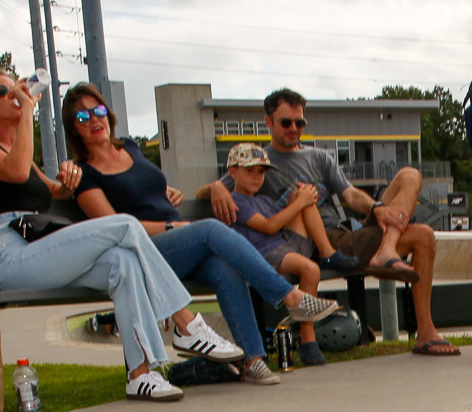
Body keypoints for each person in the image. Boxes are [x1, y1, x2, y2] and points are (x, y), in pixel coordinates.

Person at [0, 68, 231, 402]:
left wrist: (68, 179)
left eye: (15, 89)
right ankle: (186, 324)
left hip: (39, 246)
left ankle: (139, 375)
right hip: (11, 255)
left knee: (123, 261)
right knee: (125, 225)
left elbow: (53, 193)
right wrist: (29, 109)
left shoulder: (18, 149)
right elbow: (14, 172)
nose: (14, 95)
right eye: (4, 91)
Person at [65, 83, 339, 383]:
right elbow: (115, 230)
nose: (93, 119)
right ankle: (289, 297)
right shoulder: (85, 175)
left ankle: (253, 359)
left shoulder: (129, 147)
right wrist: (174, 226)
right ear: (74, 128)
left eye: (99, 111)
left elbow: (142, 189)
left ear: (109, 114)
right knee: (210, 228)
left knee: (226, 269)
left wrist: (163, 192)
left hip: (180, 243)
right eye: (82, 117)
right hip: (146, 250)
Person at [203, 89, 459, 356]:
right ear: (268, 122)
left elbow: (349, 194)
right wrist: (214, 187)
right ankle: (424, 330)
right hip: (319, 242)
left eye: (299, 122)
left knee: (409, 175)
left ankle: (388, 250)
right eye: (286, 122)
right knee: (423, 235)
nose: (294, 129)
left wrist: (376, 207)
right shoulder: (260, 163)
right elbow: (225, 187)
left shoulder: (319, 157)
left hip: (347, 231)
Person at [222, 143, 345, 362]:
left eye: (260, 172)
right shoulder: (236, 202)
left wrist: (298, 198)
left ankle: (328, 252)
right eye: (249, 171)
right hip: (265, 255)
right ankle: (308, 340)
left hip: (285, 245)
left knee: (301, 197)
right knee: (310, 269)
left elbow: (284, 218)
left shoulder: (263, 200)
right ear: (233, 172)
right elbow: (269, 227)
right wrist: (299, 203)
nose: (256, 177)